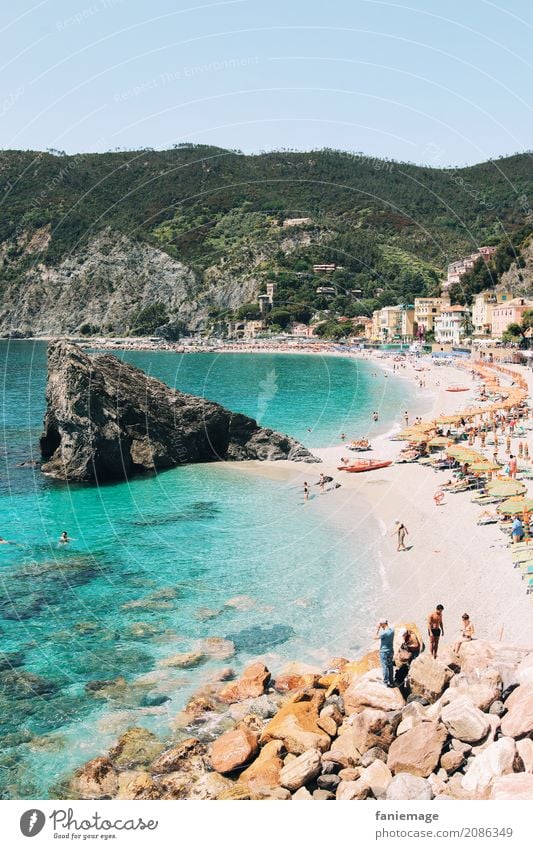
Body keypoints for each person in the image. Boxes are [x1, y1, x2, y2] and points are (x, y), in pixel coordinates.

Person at [374, 618, 395, 687]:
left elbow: (375, 637)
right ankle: (391, 681)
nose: (379, 625)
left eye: (380, 624)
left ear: (383, 624)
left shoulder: (384, 633)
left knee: (384, 666)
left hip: (384, 652)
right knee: (390, 666)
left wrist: (377, 629)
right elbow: (389, 627)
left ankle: (385, 682)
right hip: (391, 650)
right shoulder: (392, 630)